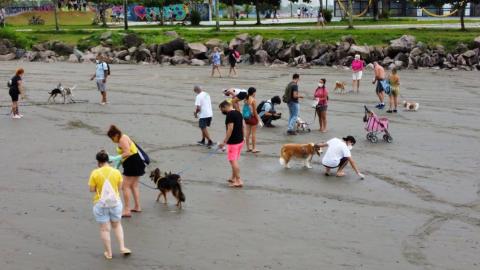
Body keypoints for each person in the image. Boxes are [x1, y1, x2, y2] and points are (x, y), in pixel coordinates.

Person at [88, 150, 131, 260]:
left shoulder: (95, 173)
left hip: (100, 204)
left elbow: (91, 189)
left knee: (104, 229)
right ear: (108, 160)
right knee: (117, 225)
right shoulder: (116, 172)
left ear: (98, 162)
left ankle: (109, 253)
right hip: (115, 203)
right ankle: (122, 247)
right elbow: (120, 187)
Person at [107, 125, 145, 218]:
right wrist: (117, 165)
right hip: (136, 162)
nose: (113, 140)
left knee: (125, 186)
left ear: (116, 134)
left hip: (132, 163)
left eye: (112, 138)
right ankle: (137, 206)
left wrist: (115, 158)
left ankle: (127, 210)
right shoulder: (124, 137)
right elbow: (125, 154)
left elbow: (127, 152)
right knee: (134, 185)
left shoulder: (122, 139)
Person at [218, 101, 244, 188]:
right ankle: (233, 178)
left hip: (233, 142)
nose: (222, 111)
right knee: (235, 160)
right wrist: (243, 137)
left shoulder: (230, 115)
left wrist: (224, 141)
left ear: (225, 107)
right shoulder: (238, 112)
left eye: (221, 109)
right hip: (240, 140)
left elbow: (230, 129)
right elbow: (242, 126)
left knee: (233, 161)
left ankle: (239, 180)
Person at [243, 87, 261, 153]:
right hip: (252, 118)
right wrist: (258, 120)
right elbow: (254, 112)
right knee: (253, 134)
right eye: (255, 92)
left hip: (246, 117)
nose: (255, 93)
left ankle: (248, 148)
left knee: (247, 133)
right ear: (253, 92)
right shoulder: (253, 100)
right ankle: (254, 148)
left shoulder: (246, 99)